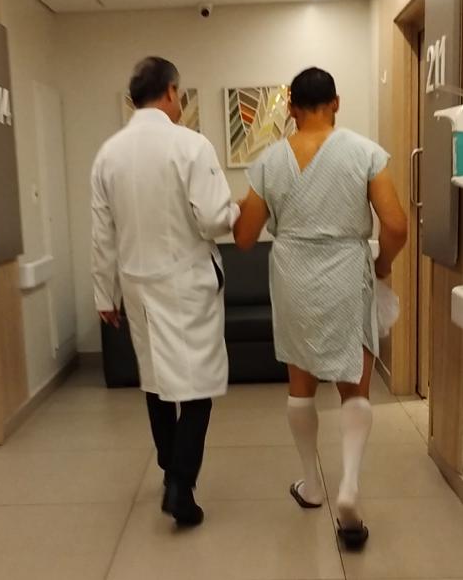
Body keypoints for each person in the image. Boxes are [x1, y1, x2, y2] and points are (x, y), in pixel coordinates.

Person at [233, 67, 407, 549]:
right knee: (354, 387)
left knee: (301, 384)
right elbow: (395, 226)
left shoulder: (268, 161)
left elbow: (244, 238)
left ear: (290, 107)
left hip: (293, 276)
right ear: (336, 102)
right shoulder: (364, 153)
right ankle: (348, 486)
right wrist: (382, 265)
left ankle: (312, 485)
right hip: (347, 273)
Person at [91, 56, 240, 527]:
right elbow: (213, 219)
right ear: (172, 91)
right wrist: (236, 212)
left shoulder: (108, 153)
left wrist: (104, 294)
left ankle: (168, 468)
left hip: (136, 285)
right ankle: (180, 484)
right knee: (197, 386)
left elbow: (102, 233)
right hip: (185, 282)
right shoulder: (191, 145)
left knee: (156, 381)